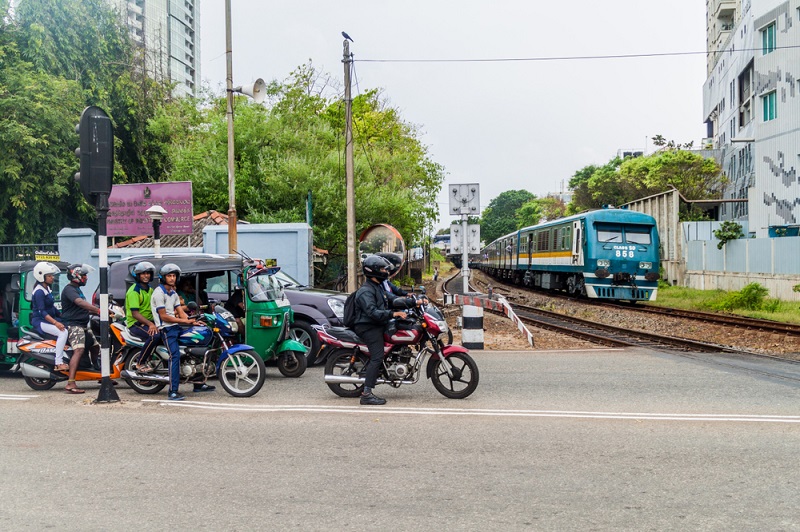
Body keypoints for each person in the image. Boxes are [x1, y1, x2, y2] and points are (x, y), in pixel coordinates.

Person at [352, 255, 417, 406]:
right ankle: (366, 394)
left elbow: (393, 299)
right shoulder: (365, 291)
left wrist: (414, 302)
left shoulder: (378, 287)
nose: (385, 272)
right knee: (377, 355)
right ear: (374, 271)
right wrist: (393, 314)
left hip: (377, 323)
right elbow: (372, 312)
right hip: (367, 326)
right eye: (382, 269)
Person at [151, 263, 214, 401]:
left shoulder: (173, 293)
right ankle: (172, 392)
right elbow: (164, 316)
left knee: (197, 345)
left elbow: (181, 313)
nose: (172, 278)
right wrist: (185, 322)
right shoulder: (158, 293)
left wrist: (193, 322)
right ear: (163, 277)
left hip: (176, 327)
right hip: (166, 329)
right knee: (175, 357)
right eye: (169, 276)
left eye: (174, 276)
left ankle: (198, 383)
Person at [60, 263, 101, 394]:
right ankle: (70, 382)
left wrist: (107, 312)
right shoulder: (70, 289)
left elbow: (80, 309)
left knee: (96, 347)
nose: (86, 278)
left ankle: (101, 375)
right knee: (79, 350)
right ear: (76, 275)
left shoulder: (77, 289)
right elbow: (79, 303)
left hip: (83, 325)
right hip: (73, 325)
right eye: (84, 275)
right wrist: (97, 310)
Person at [30, 262, 69, 372]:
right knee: (63, 332)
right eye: (49, 276)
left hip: (48, 319)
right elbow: (42, 311)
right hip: (40, 321)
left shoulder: (46, 289)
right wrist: (56, 323)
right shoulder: (39, 292)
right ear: (41, 276)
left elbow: (51, 307)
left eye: (52, 275)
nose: (52, 278)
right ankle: (59, 362)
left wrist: (63, 316)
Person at [125, 261, 160, 373]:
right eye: (143, 273)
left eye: (148, 273)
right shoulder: (134, 291)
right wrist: (150, 324)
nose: (146, 276)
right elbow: (135, 313)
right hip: (135, 324)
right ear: (138, 275)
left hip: (148, 321)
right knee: (155, 336)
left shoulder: (150, 290)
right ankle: (140, 362)